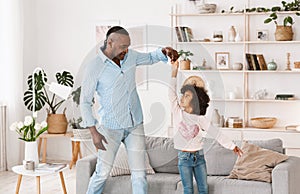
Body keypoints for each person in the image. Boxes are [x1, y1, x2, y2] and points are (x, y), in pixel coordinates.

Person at [80, 26, 179, 194]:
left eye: (128, 47)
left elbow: (149, 57)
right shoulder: (94, 67)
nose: (126, 51)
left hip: (135, 124)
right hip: (110, 128)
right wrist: (94, 132)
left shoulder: (130, 56)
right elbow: (84, 102)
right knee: (102, 173)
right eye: (122, 47)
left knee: (140, 176)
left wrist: (163, 52)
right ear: (109, 42)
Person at [169, 60, 243, 194]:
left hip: (199, 157)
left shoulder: (201, 119)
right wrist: (174, 71)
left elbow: (217, 134)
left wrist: (233, 146)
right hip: (184, 159)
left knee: (204, 189)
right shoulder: (177, 113)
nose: (182, 98)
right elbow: (171, 92)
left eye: (186, 96)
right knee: (188, 190)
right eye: (183, 95)